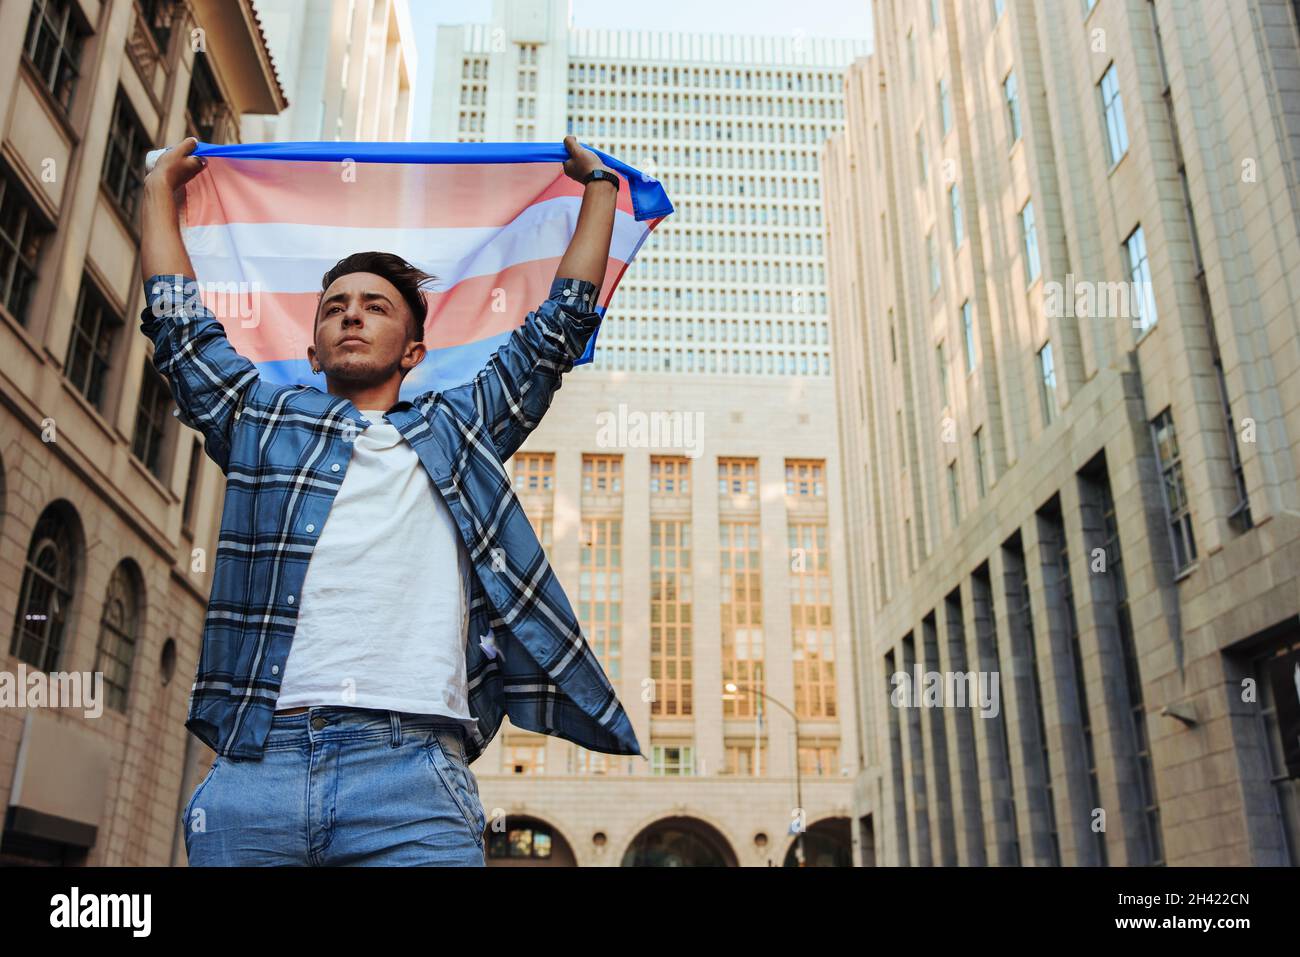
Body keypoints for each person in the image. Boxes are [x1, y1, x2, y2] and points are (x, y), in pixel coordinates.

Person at [143, 135, 642, 866]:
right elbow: (181, 332)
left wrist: (598, 187)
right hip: (260, 766)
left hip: (410, 776)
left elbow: (554, 332)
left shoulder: (459, 427)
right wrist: (159, 190)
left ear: (413, 350)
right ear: (311, 348)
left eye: (375, 307)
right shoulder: (264, 423)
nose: (351, 315)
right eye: (335, 307)